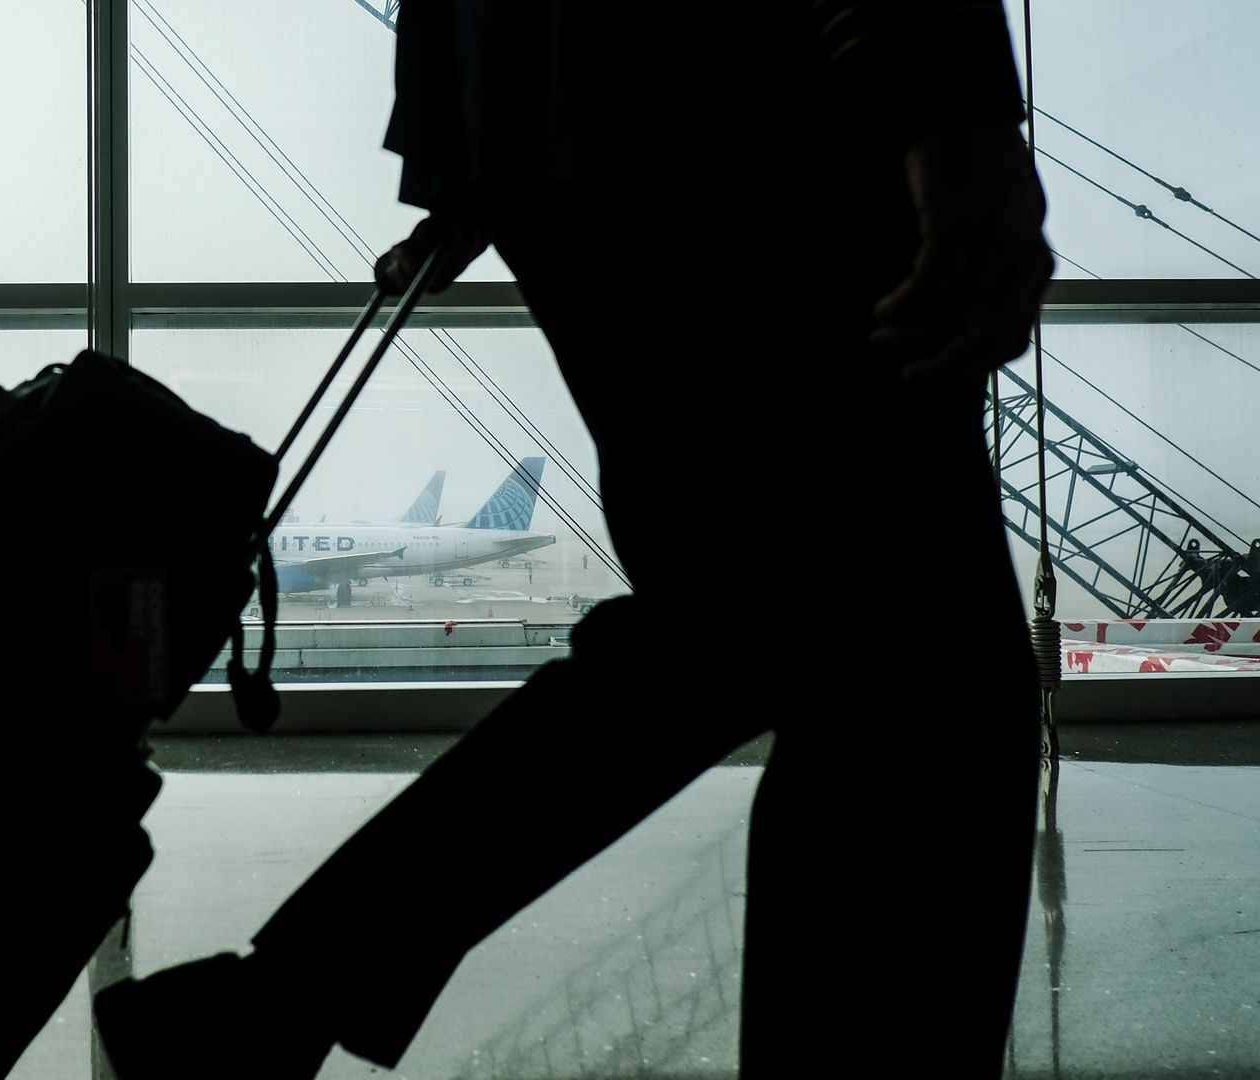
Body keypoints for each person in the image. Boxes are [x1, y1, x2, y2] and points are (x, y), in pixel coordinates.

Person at [91, 2, 1052, 1077]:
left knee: (753, 621)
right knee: (923, 672)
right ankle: (278, 994)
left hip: (525, 99)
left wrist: (464, 171)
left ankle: (275, 997)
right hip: (750, 83)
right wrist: (947, 93)